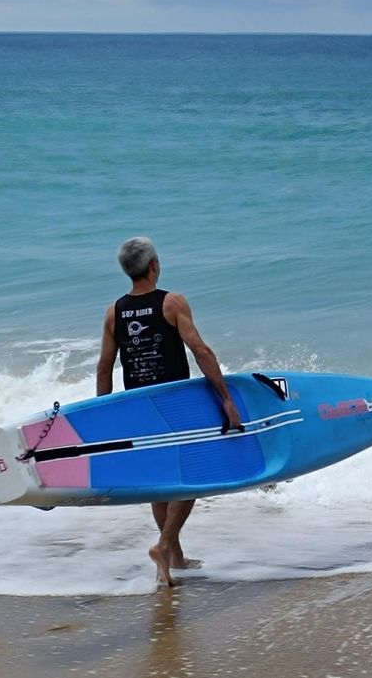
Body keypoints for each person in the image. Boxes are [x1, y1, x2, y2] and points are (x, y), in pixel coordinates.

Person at [96, 236, 242, 587]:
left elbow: (104, 366)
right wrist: (225, 397)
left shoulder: (114, 311)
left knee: (161, 480)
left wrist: (103, 415)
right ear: (154, 266)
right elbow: (200, 350)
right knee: (191, 477)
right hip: (174, 403)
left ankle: (172, 558)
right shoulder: (172, 303)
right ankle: (163, 546)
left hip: (138, 406)